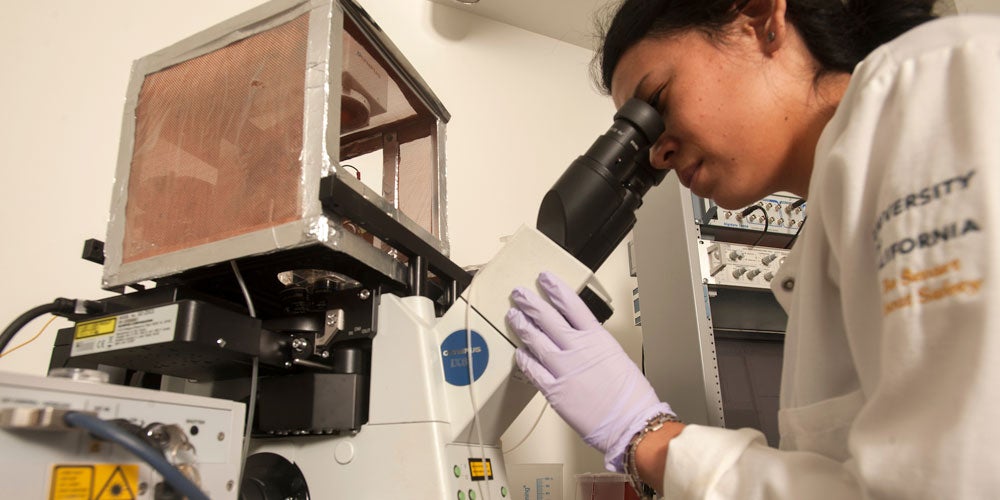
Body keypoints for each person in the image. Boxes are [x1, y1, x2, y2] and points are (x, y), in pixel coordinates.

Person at [506, 0, 1000, 497]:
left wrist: (650, 440)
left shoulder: (935, 89)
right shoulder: (829, 229)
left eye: (656, 100)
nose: (655, 152)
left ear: (760, 21)